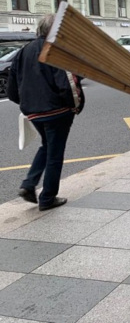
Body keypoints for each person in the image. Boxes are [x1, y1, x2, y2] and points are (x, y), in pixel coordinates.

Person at [7, 14, 85, 211]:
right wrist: (75, 106)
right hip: (57, 111)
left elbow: (12, 89)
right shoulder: (56, 51)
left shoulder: (22, 52)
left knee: (47, 146)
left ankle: (28, 184)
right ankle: (47, 198)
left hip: (33, 112)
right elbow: (67, 85)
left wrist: (26, 104)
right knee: (55, 154)